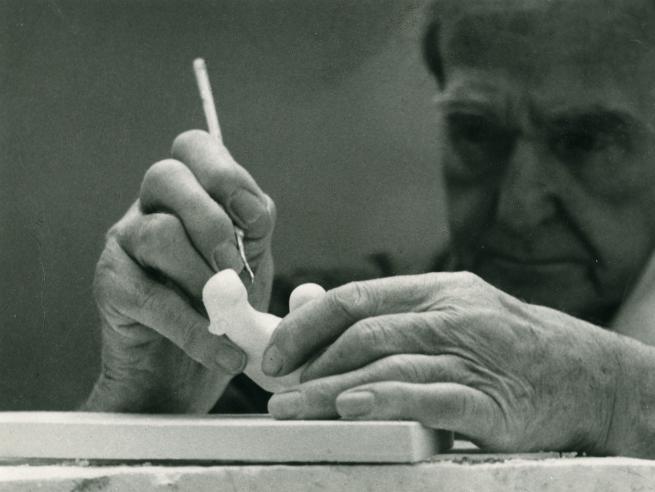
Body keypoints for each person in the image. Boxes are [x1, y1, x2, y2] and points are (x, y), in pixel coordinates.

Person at [84, 0, 655, 456]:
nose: (518, 206)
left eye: (588, 141)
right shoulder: (313, 340)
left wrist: (615, 394)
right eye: (475, 131)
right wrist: (147, 418)